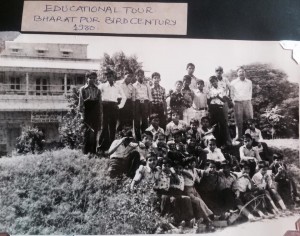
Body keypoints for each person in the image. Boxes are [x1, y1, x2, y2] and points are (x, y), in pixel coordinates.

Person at [98, 69, 126, 152]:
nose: (109, 78)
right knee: (104, 127)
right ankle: (101, 147)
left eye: (110, 76)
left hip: (114, 107)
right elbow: (97, 95)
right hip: (105, 107)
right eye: (107, 76)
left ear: (113, 77)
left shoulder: (117, 87)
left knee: (113, 127)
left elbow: (124, 97)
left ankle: (112, 147)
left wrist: (120, 106)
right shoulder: (102, 86)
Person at [78, 71, 102, 154]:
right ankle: (85, 152)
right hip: (87, 112)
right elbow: (81, 103)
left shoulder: (98, 90)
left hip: (95, 112)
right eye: (90, 78)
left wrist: (100, 116)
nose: (92, 80)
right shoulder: (83, 89)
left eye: (94, 78)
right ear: (86, 79)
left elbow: (100, 104)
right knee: (87, 132)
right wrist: (82, 115)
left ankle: (93, 151)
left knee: (94, 132)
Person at [230, 66, 253, 141]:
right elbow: (232, 94)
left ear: (245, 72)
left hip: (247, 102)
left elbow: (250, 92)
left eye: (243, 71)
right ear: (237, 73)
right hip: (237, 103)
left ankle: (251, 135)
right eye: (240, 71)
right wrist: (234, 102)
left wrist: (248, 100)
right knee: (238, 121)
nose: (241, 73)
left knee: (250, 120)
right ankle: (239, 136)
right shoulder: (233, 83)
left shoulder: (249, 82)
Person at [207, 76, 229, 148]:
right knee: (214, 126)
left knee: (222, 125)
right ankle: (217, 143)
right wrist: (212, 97)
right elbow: (208, 101)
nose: (213, 83)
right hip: (213, 108)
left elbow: (224, 100)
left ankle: (224, 143)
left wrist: (218, 96)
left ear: (217, 80)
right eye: (212, 82)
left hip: (220, 108)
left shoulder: (222, 89)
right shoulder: (210, 90)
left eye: (214, 81)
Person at [132, 69, 153, 141]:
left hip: (145, 103)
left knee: (145, 121)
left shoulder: (147, 85)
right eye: (138, 75)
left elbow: (150, 97)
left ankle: (145, 138)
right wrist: (134, 108)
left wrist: (149, 107)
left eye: (141, 75)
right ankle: (137, 139)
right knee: (137, 121)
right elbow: (133, 98)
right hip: (137, 103)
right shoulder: (134, 85)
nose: (140, 77)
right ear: (136, 76)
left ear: (143, 76)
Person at [214, 66, 232, 146]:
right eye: (217, 70)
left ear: (222, 71)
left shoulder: (225, 80)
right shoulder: (212, 79)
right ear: (215, 71)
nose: (219, 72)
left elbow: (231, 88)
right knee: (216, 123)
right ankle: (217, 142)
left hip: (224, 103)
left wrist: (230, 98)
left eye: (220, 70)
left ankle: (228, 141)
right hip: (214, 104)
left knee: (225, 122)